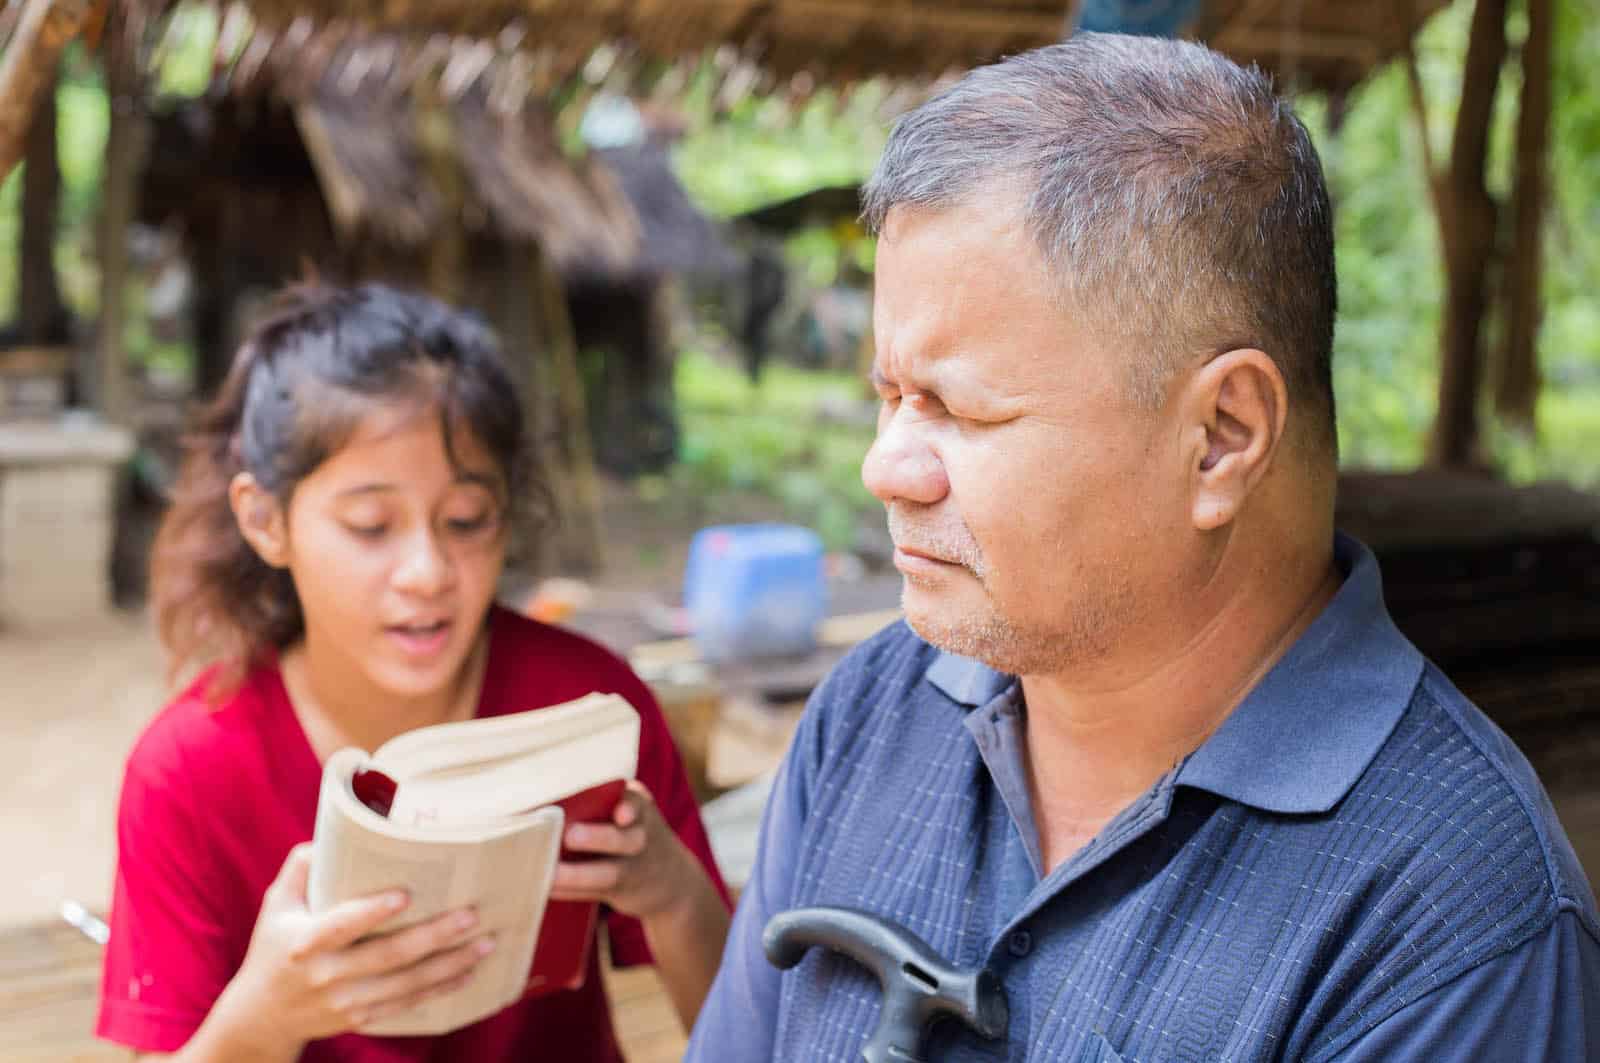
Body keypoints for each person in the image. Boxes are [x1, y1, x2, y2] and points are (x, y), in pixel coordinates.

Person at [687, 33, 1600, 1062]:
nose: (885, 467)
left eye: (956, 409)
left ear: (1220, 437)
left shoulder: (1447, 919)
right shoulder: (874, 710)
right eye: (890, 395)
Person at [97, 282, 731, 1062]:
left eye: (466, 520)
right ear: (266, 520)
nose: (427, 571)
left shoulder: (585, 710)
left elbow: (750, 1032)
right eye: (371, 526)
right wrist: (266, 1013)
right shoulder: (188, 771)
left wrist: (670, 892)